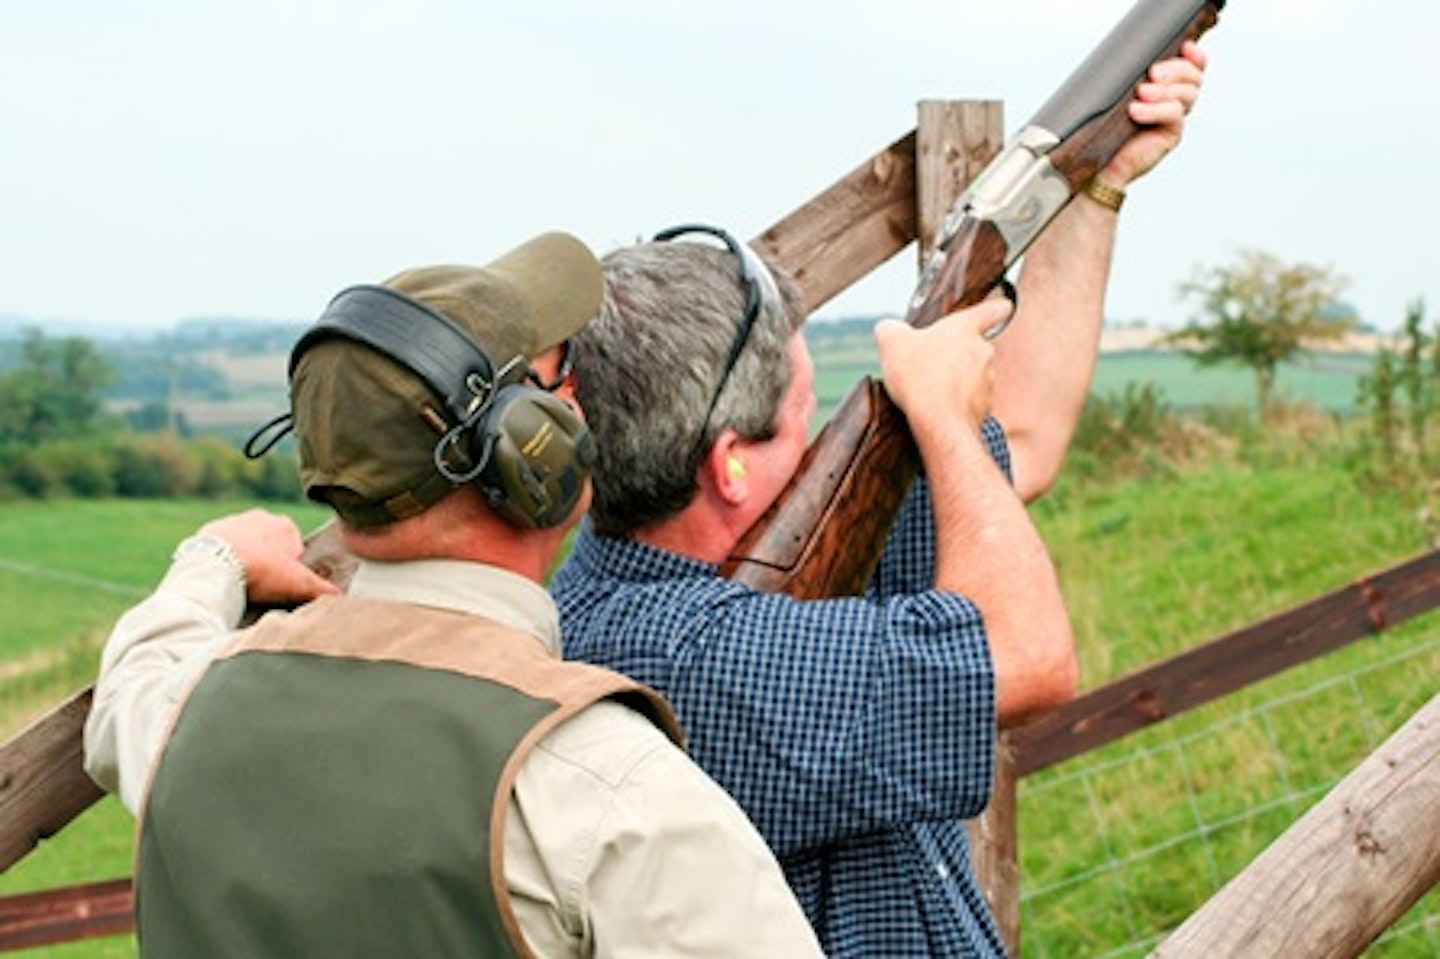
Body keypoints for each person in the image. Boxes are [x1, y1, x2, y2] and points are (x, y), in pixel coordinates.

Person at [551, 44, 1209, 957]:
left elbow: (1019, 443)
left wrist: (1096, 186)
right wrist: (937, 415)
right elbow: (1028, 658)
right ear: (731, 465)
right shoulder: (699, 657)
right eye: (801, 414)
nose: (823, 439)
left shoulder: (662, 575)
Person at [82, 232, 824, 958]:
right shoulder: (611, 789)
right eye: (568, 376)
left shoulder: (190, 712)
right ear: (531, 449)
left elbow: (132, 680)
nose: (585, 400)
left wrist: (217, 558)